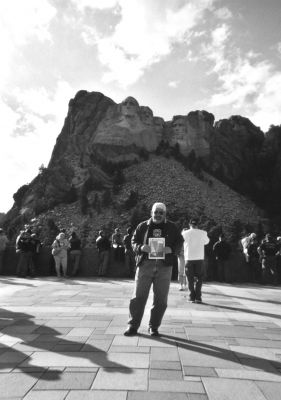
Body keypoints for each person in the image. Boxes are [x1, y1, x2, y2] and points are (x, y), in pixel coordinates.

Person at [124, 202, 183, 337]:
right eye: (155, 212)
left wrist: (172, 249)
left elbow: (180, 241)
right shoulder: (142, 226)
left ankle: (154, 327)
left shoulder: (172, 227)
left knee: (161, 299)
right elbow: (133, 241)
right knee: (138, 297)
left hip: (164, 267)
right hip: (145, 264)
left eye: (161, 212)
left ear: (165, 214)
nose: (157, 215)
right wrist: (140, 247)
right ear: (151, 213)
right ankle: (133, 325)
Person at [182, 218, 209, 303]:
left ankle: (191, 296)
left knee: (189, 278)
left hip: (189, 258)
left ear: (189, 225)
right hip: (199, 258)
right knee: (199, 278)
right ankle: (198, 297)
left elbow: (181, 242)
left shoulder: (184, 233)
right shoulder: (203, 233)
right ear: (197, 225)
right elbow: (206, 242)